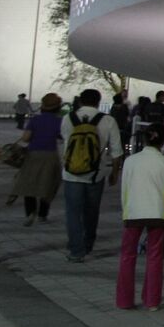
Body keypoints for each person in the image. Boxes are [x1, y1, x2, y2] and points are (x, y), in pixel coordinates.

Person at [116, 123, 164, 311]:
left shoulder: (131, 161)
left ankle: (124, 300)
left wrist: (126, 210)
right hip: (159, 213)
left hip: (134, 213)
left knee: (127, 256)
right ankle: (152, 300)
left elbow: (125, 190)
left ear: (145, 138)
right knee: (155, 256)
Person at [60, 89, 125, 263]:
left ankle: (76, 250)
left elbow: (67, 142)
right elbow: (117, 151)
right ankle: (88, 244)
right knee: (91, 211)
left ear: (80, 101)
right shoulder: (108, 120)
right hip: (95, 174)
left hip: (71, 173)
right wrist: (114, 173)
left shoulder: (68, 118)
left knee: (73, 213)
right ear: (98, 101)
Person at [12, 93, 63, 225]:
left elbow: (25, 138)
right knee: (49, 185)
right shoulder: (59, 121)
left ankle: (30, 213)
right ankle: (42, 215)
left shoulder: (35, 120)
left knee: (29, 184)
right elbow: (62, 137)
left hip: (32, 154)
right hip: (50, 155)